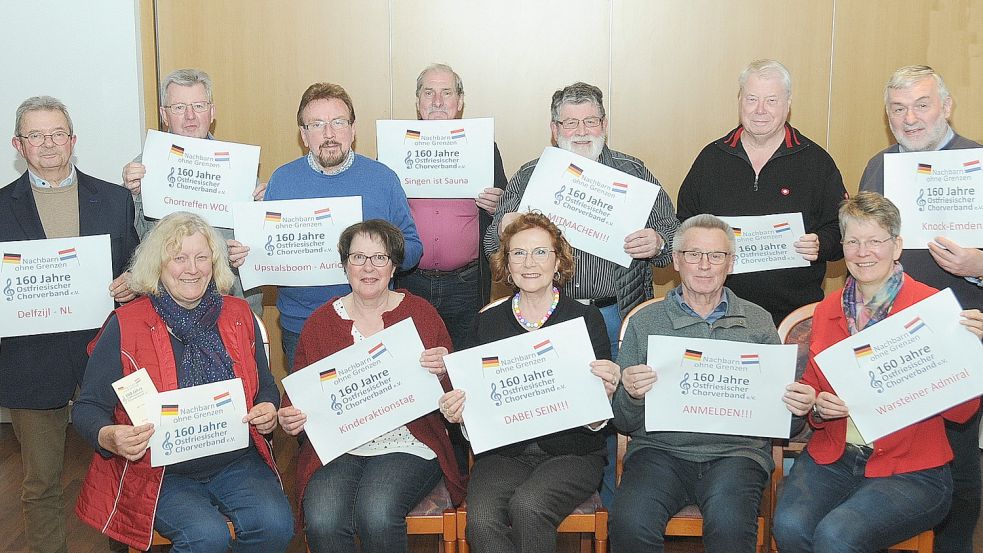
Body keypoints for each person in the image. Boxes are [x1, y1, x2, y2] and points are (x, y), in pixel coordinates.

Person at [484, 81, 678, 505]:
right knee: (552, 411)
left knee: (609, 410)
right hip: (547, 317)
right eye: (570, 122)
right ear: (554, 129)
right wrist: (502, 228)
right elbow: (489, 247)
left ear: (605, 124)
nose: (582, 130)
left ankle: (609, 510)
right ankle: (546, 495)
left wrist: (658, 244)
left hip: (614, 314)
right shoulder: (530, 176)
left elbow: (675, 236)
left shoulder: (633, 173)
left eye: (590, 120)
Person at [772, 192, 982, 553]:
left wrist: (970, 354)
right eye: (852, 241)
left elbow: (962, 412)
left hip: (913, 467)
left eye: (875, 241)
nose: (862, 251)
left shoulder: (935, 309)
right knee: (790, 527)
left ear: (897, 246)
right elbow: (814, 396)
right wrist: (817, 405)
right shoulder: (827, 311)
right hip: (836, 454)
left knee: (837, 537)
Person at [72, 212, 293, 552]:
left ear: (215, 264)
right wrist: (110, 436)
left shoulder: (238, 314)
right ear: (158, 265)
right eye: (179, 258)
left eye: (202, 257)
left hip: (234, 459)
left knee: (276, 525)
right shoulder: (125, 324)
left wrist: (267, 406)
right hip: (160, 472)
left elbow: (264, 385)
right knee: (206, 537)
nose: (192, 268)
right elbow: (88, 407)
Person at [610, 214, 799, 553]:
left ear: (731, 263)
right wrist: (633, 396)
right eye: (694, 254)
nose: (704, 265)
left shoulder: (758, 321)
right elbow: (623, 421)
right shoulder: (645, 321)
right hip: (659, 453)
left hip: (736, 456)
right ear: (677, 261)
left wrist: (795, 406)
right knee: (629, 522)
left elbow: (784, 420)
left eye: (716, 256)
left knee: (730, 527)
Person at [0, 95, 139, 553]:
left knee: (125, 466)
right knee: (40, 482)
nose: (48, 144)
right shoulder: (1, 207)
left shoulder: (115, 199)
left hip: (106, 357)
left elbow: (139, 265)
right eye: (35, 135)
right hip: (30, 364)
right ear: (19, 145)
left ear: (73, 140)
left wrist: (131, 283)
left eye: (57, 133)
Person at [277, 219, 464, 553]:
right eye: (358, 257)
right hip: (339, 446)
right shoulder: (320, 322)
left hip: (408, 440)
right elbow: (294, 400)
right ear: (345, 264)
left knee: (375, 514)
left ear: (393, 267)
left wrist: (442, 370)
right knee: (323, 520)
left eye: (379, 258)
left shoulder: (421, 314)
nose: (368, 267)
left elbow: (454, 396)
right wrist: (289, 417)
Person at [439, 211, 619, 553]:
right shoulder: (486, 323)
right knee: (480, 518)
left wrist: (602, 397)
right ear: (506, 264)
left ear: (558, 261)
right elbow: (471, 405)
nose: (529, 262)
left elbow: (598, 421)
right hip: (504, 454)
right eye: (518, 253)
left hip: (572, 452)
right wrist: (458, 411)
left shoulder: (585, 319)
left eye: (540, 252)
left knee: (529, 505)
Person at [859, 66, 983, 552]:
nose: (909, 118)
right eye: (897, 108)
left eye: (921, 105)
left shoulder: (979, 163)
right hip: (890, 335)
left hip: (958, 333)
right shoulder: (879, 166)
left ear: (947, 106)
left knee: (958, 456)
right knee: (892, 455)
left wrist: (977, 262)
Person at [263, 82, 423, 371]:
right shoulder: (282, 181)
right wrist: (249, 255)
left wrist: (379, 252)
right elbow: (266, 253)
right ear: (303, 134)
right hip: (303, 324)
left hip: (375, 323)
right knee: (310, 415)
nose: (329, 134)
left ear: (353, 128)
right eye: (317, 124)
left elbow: (413, 248)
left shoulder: (383, 179)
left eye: (338, 122)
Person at [677, 59, 848, 326]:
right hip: (718, 316)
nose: (759, 110)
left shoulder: (816, 161)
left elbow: (842, 231)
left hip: (793, 317)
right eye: (751, 99)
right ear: (739, 100)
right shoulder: (711, 159)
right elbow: (684, 226)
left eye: (771, 101)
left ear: (788, 104)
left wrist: (820, 244)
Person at [119, 68, 263, 315]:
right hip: (164, 303)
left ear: (212, 112)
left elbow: (260, 248)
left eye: (198, 105)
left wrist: (261, 217)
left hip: (228, 302)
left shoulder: (240, 168)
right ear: (164, 115)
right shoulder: (144, 168)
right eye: (178, 107)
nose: (190, 116)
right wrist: (129, 197)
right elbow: (134, 242)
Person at [399, 63, 507, 351]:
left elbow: (508, 209)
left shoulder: (484, 147)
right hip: (410, 283)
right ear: (418, 102)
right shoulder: (395, 148)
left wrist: (497, 206)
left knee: (465, 369)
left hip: (466, 285)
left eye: (446, 93)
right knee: (414, 369)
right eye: (428, 92)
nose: (437, 101)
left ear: (459, 102)